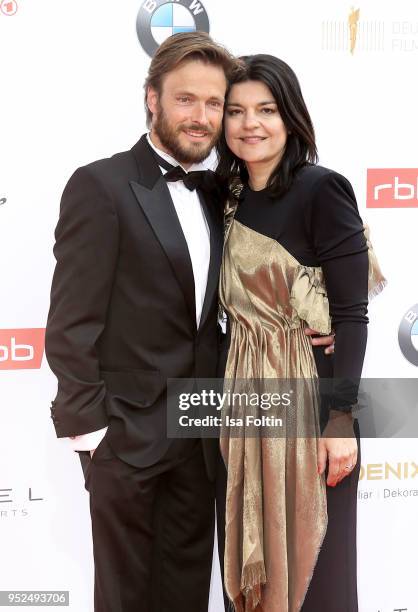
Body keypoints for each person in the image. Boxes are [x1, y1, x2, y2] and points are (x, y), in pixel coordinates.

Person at [45, 32, 335, 612]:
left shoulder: (219, 193)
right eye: (185, 100)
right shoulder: (100, 186)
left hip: (203, 436)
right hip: (125, 443)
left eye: (213, 104)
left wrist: (311, 320)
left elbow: (251, 287)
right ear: (151, 98)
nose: (201, 118)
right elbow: (71, 324)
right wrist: (95, 439)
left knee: (185, 596)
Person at [216, 54, 386, 612]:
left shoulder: (321, 189)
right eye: (236, 111)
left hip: (313, 406)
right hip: (246, 403)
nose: (250, 124)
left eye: (265, 109)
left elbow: (352, 317)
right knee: (255, 554)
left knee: (320, 567)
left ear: (290, 117)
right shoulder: (226, 195)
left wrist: (340, 423)